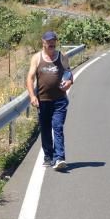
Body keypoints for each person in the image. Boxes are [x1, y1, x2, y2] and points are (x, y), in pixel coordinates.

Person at [26, 30, 74, 171]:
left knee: (57, 127)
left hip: (59, 100)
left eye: (54, 41)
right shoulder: (36, 58)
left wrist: (69, 82)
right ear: (43, 42)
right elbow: (30, 77)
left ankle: (59, 157)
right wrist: (32, 96)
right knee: (45, 129)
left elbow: (68, 72)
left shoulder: (62, 57)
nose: (52, 44)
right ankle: (48, 155)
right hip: (43, 100)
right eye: (49, 41)